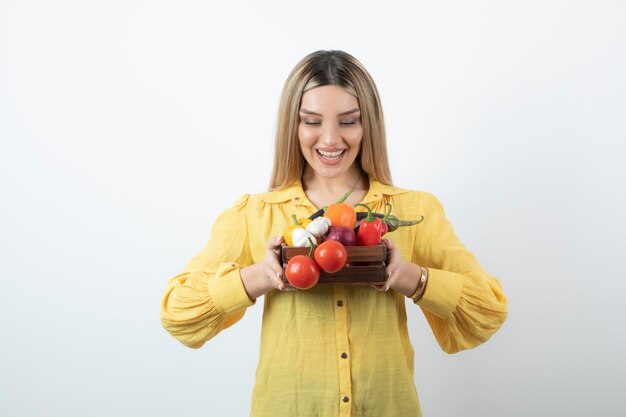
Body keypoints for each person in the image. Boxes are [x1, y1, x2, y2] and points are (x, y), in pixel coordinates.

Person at [160, 50, 508, 417]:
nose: (330, 139)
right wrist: (261, 275)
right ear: (292, 127)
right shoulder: (254, 214)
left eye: (348, 121)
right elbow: (179, 316)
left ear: (368, 124)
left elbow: (487, 310)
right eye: (311, 121)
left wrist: (408, 276)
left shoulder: (413, 211)